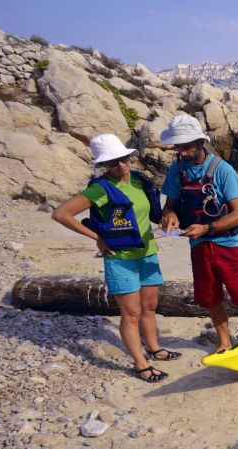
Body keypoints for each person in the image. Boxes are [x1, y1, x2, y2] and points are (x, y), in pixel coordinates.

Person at [52, 133, 181, 383]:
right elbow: (61, 214)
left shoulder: (140, 181)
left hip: (148, 254)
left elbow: (154, 212)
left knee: (150, 306)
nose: (121, 165)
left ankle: (154, 348)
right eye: (113, 163)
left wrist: (168, 216)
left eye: (124, 159)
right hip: (120, 259)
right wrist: (97, 238)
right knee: (131, 314)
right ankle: (141, 364)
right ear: (103, 165)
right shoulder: (99, 189)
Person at [158, 115, 238, 353]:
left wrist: (207, 228)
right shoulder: (177, 171)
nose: (182, 153)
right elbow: (170, 205)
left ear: (200, 142)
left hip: (229, 245)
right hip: (199, 246)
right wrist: (170, 215)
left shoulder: (223, 170)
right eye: (178, 147)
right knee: (210, 297)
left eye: (187, 147)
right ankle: (224, 342)